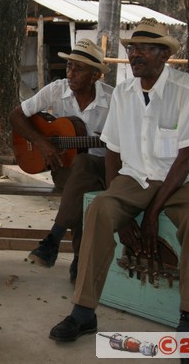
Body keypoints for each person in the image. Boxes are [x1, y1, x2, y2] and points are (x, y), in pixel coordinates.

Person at [48, 19, 189, 350]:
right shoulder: (125, 92)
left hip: (184, 179)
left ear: (164, 54)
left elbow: (186, 158)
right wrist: (122, 209)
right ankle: (84, 310)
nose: (135, 54)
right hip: (137, 176)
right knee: (100, 208)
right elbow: (112, 151)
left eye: (144, 48)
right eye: (132, 48)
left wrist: (152, 213)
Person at [9, 38, 112, 283]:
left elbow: (125, 144)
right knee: (79, 177)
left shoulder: (114, 100)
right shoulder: (57, 89)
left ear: (95, 75)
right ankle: (79, 260)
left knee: (83, 172)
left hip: (103, 167)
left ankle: (54, 239)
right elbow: (16, 116)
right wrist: (42, 142)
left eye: (79, 68)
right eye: (69, 67)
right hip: (64, 165)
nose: (71, 73)